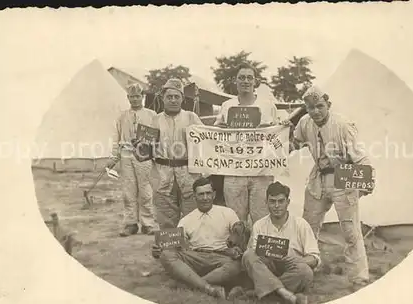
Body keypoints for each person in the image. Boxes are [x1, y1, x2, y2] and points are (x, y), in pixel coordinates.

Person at [288, 85, 374, 286]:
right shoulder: (304, 123)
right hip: (318, 177)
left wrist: (366, 182)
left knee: (350, 230)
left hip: (343, 177)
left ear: (328, 105)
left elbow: (361, 157)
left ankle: (358, 277)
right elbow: (295, 144)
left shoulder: (342, 125)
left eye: (320, 106)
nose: (315, 111)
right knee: (308, 226)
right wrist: (282, 134)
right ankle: (306, 269)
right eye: (310, 107)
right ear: (306, 108)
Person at [151, 177, 244, 299]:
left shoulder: (227, 213)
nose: (205, 198)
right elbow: (175, 244)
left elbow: (239, 230)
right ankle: (209, 288)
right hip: (196, 258)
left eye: (208, 193)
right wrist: (159, 250)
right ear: (194, 197)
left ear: (214, 195)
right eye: (201, 194)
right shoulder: (186, 220)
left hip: (221, 257)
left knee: (236, 265)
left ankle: (191, 284)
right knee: (167, 255)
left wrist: (237, 236)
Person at [213, 63, 279, 225]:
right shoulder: (227, 106)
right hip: (234, 170)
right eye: (241, 77)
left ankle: (257, 248)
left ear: (255, 82)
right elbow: (214, 134)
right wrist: (220, 128)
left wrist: (280, 128)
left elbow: (278, 135)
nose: (245, 81)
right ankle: (239, 249)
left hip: (261, 170)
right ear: (235, 81)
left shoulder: (267, 105)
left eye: (249, 78)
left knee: (261, 216)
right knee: (236, 218)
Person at [241, 181, 320, 304]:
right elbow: (251, 256)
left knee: (306, 272)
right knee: (248, 255)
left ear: (287, 202)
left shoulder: (301, 224)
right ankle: (286, 294)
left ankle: (259, 291)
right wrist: (270, 254)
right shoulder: (259, 225)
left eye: (280, 201)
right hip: (267, 267)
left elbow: (315, 258)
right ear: (266, 203)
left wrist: (295, 259)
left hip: (291, 268)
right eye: (272, 201)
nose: (276, 206)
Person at [151, 78, 204, 229]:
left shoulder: (191, 117)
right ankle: (170, 250)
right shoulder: (154, 120)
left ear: (182, 99)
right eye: (169, 97)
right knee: (166, 219)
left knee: (192, 219)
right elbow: (144, 150)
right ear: (163, 98)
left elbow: (207, 142)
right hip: (162, 176)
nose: (173, 100)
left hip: (188, 175)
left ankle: (191, 250)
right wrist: (140, 147)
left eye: (177, 97)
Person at [111, 83, 158, 236]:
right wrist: (114, 156)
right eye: (132, 96)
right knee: (128, 190)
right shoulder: (122, 116)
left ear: (142, 97)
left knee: (145, 190)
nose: (135, 99)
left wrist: (155, 153)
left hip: (144, 154)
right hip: (126, 153)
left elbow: (157, 137)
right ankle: (130, 223)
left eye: (138, 96)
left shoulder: (151, 115)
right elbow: (116, 137)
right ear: (128, 98)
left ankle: (148, 223)